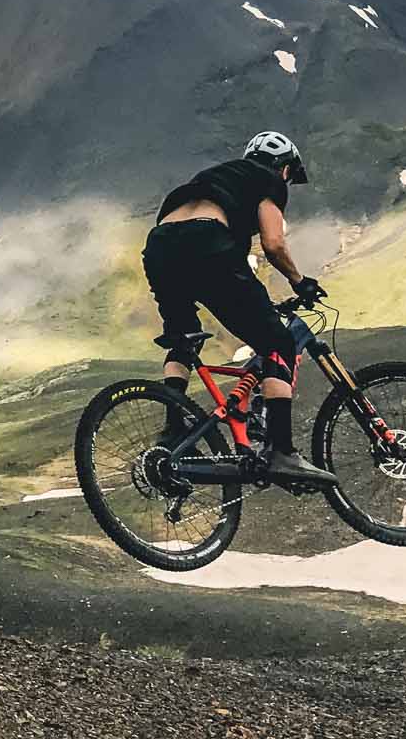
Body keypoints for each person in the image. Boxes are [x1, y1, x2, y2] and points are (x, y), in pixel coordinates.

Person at [142, 132, 338, 484]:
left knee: (183, 339)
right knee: (278, 343)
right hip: (206, 241)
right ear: (284, 168)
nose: (288, 181)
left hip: (160, 246)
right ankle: (283, 453)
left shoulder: (212, 178)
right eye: (290, 175)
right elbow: (273, 243)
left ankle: (173, 435)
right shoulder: (267, 179)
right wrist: (299, 281)